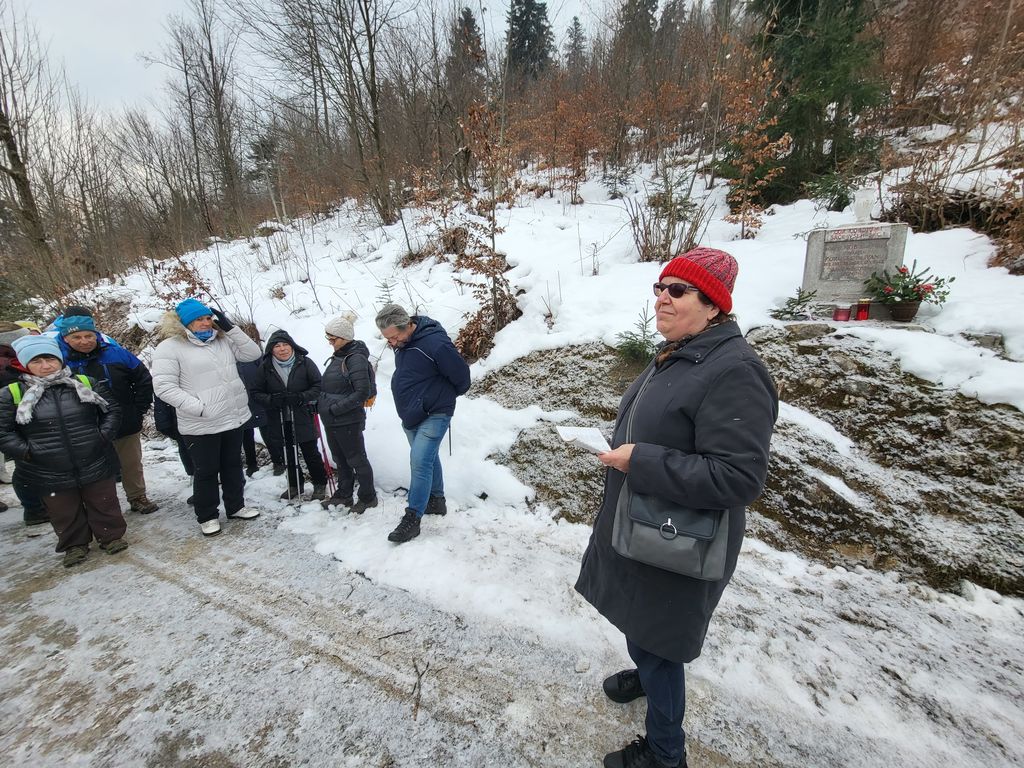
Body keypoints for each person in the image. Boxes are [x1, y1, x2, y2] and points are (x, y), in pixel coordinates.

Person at [574, 248, 778, 768]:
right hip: (642, 522)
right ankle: (646, 674)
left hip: (679, 540)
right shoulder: (678, 352)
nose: (662, 299)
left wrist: (640, 459)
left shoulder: (735, 371)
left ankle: (666, 753)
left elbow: (738, 477)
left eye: (678, 290)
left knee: (659, 643)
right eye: (659, 288)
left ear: (714, 306)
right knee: (641, 624)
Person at [0, 335, 128, 567]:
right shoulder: (13, 394)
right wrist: (27, 452)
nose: (46, 366)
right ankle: (74, 545)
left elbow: (111, 411)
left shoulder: (84, 383)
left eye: (50, 359)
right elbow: (3, 431)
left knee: (104, 501)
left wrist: (102, 436)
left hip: (93, 457)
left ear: (60, 359)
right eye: (37, 361)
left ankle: (111, 537)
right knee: (63, 509)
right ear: (25, 364)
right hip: (46, 466)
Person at [150, 299, 262, 536]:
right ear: (184, 323)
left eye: (208, 318)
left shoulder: (222, 340)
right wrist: (199, 408)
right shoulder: (170, 348)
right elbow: (163, 387)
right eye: (198, 319)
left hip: (232, 416)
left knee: (232, 465)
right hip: (201, 421)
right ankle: (208, 515)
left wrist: (230, 328)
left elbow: (252, 353)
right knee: (206, 470)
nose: (205, 323)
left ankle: (236, 506)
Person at [374, 304, 470, 543]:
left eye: (394, 337)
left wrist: (439, 397)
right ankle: (436, 500)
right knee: (428, 458)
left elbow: (462, 378)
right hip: (411, 414)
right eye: (388, 339)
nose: (392, 343)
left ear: (408, 326)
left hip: (435, 412)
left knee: (419, 461)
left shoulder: (435, 344)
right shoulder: (403, 343)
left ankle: (412, 518)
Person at [56, 314, 158, 514]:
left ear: (96, 335)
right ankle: (100, 504)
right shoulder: (59, 360)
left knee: (130, 462)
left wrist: (138, 409)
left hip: (124, 419)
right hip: (83, 425)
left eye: (88, 336)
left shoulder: (116, 353)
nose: (84, 341)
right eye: (77, 337)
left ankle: (137, 496)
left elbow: (143, 379)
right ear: (66, 338)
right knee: (92, 466)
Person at [251, 329, 329, 500]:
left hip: (302, 414)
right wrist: (272, 400)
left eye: (285, 344)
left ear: (292, 346)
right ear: (271, 349)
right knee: (288, 454)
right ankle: (294, 485)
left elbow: (318, 386)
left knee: (310, 453)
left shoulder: (305, 363)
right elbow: (256, 392)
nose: (282, 349)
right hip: (278, 417)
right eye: (277, 346)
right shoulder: (265, 367)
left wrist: (301, 397)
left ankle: (320, 484)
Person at [318, 312, 377, 514]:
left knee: (356, 459)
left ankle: (368, 497)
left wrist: (335, 409)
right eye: (328, 338)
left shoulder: (355, 359)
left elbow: (362, 392)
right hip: (333, 420)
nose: (330, 343)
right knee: (340, 459)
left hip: (347, 420)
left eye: (333, 339)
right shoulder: (339, 357)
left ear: (344, 338)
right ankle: (344, 495)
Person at [0, 322, 49, 530]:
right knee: (26, 467)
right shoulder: (11, 364)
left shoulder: (18, 360)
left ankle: (36, 507)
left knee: (27, 466)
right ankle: (35, 508)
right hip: (19, 419)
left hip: (25, 419)